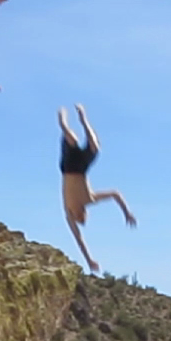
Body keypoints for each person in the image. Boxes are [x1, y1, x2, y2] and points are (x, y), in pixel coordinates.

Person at [58, 105, 136, 273]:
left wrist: (88, 260)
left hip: (69, 167)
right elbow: (115, 194)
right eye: (82, 217)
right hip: (82, 168)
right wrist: (127, 212)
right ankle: (83, 118)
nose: (80, 216)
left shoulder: (68, 213)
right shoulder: (90, 199)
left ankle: (64, 120)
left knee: (70, 137)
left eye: (80, 219)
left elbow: (79, 239)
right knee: (94, 146)